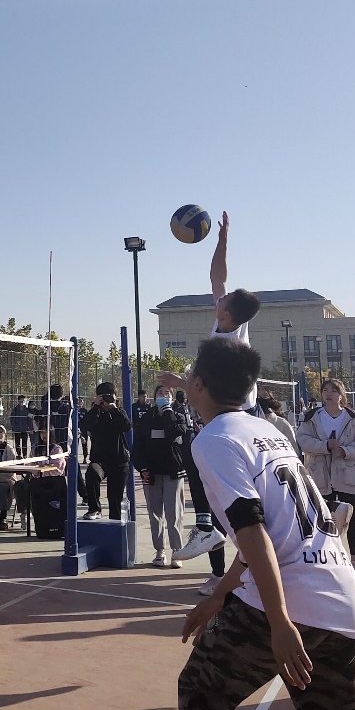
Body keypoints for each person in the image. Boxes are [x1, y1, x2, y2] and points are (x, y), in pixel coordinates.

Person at [178, 337, 355, 710]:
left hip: (289, 599)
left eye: (190, 373)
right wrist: (221, 594)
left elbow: (254, 534)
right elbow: (271, 532)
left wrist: (280, 622)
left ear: (198, 384)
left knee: (199, 697)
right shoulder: (266, 431)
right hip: (341, 594)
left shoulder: (213, 439)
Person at [162, 211, 262, 569]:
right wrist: (222, 239)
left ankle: (207, 526)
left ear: (227, 313)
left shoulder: (226, 344)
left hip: (235, 416)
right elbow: (218, 277)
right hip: (239, 414)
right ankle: (219, 550)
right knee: (215, 476)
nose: (218, 298)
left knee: (200, 458)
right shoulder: (230, 325)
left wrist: (178, 383)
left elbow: (210, 388)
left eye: (223, 300)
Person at [297, 380, 355, 583]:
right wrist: (325, 446)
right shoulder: (312, 417)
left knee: (351, 517)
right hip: (319, 474)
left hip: (348, 473)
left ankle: (354, 562)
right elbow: (303, 439)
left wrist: (346, 451)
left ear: (342, 395)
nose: (328, 394)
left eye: (333, 390)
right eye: (325, 390)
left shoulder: (354, 417)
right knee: (321, 518)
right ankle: (323, 561)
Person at [134, 385, 188, 567]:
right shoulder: (147, 418)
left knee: (174, 514)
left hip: (173, 472)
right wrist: (142, 467)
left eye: (167, 394)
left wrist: (167, 413)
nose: (163, 396)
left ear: (172, 398)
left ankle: (177, 552)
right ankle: (159, 551)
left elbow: (175, 432)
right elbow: (138, 445)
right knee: (154, 513)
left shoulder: (178, 416)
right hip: (151, 473)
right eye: (159, 393)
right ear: (154, 397)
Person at [80, 383, 132, 520]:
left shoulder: (120, 411)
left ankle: (115, 525)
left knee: (115, 499)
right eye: (103, 396)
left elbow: (127, 426)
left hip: (119, 461)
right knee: (91, 473)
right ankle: (94, 509)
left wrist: (113, 409)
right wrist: (96, 407)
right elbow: (86, 425)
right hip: (100, 460)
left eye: (110, 396)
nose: (107, 399)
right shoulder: (95, 412)